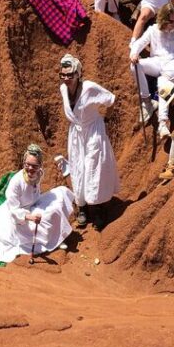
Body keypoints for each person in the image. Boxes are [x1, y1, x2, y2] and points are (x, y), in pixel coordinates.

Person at [0, 144, 74, 262]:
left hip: (35, 204)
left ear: (40, 165)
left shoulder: (40, 173)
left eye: (34, 166)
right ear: (23, 163)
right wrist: (30, 217)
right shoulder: (16, 183)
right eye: (27, 165)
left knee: (61, 193)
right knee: (47, 216)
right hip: (20, 216)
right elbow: (14, 210)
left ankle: (57, 237)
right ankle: (52, 240)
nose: (31, 168)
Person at [59, 54, 119, 227]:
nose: (66, 79)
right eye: (63, 75)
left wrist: (106, 120)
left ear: (78, 74)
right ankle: (82, 208)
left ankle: (99, 208)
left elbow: (111, 100)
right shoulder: (63, 89)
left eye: (70, 75)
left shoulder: (90, 88)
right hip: (76, 134)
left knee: (94, 168)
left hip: (93, 131)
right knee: (78, 169)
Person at [129, 3, 174, 128]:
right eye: (171, 21)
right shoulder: (153, 29)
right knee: (135, 66)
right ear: (163, 19)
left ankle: (163, 121)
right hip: (158, 62)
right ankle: (146, 101)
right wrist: (134, 54)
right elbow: (138, 44)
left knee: (162, 80)